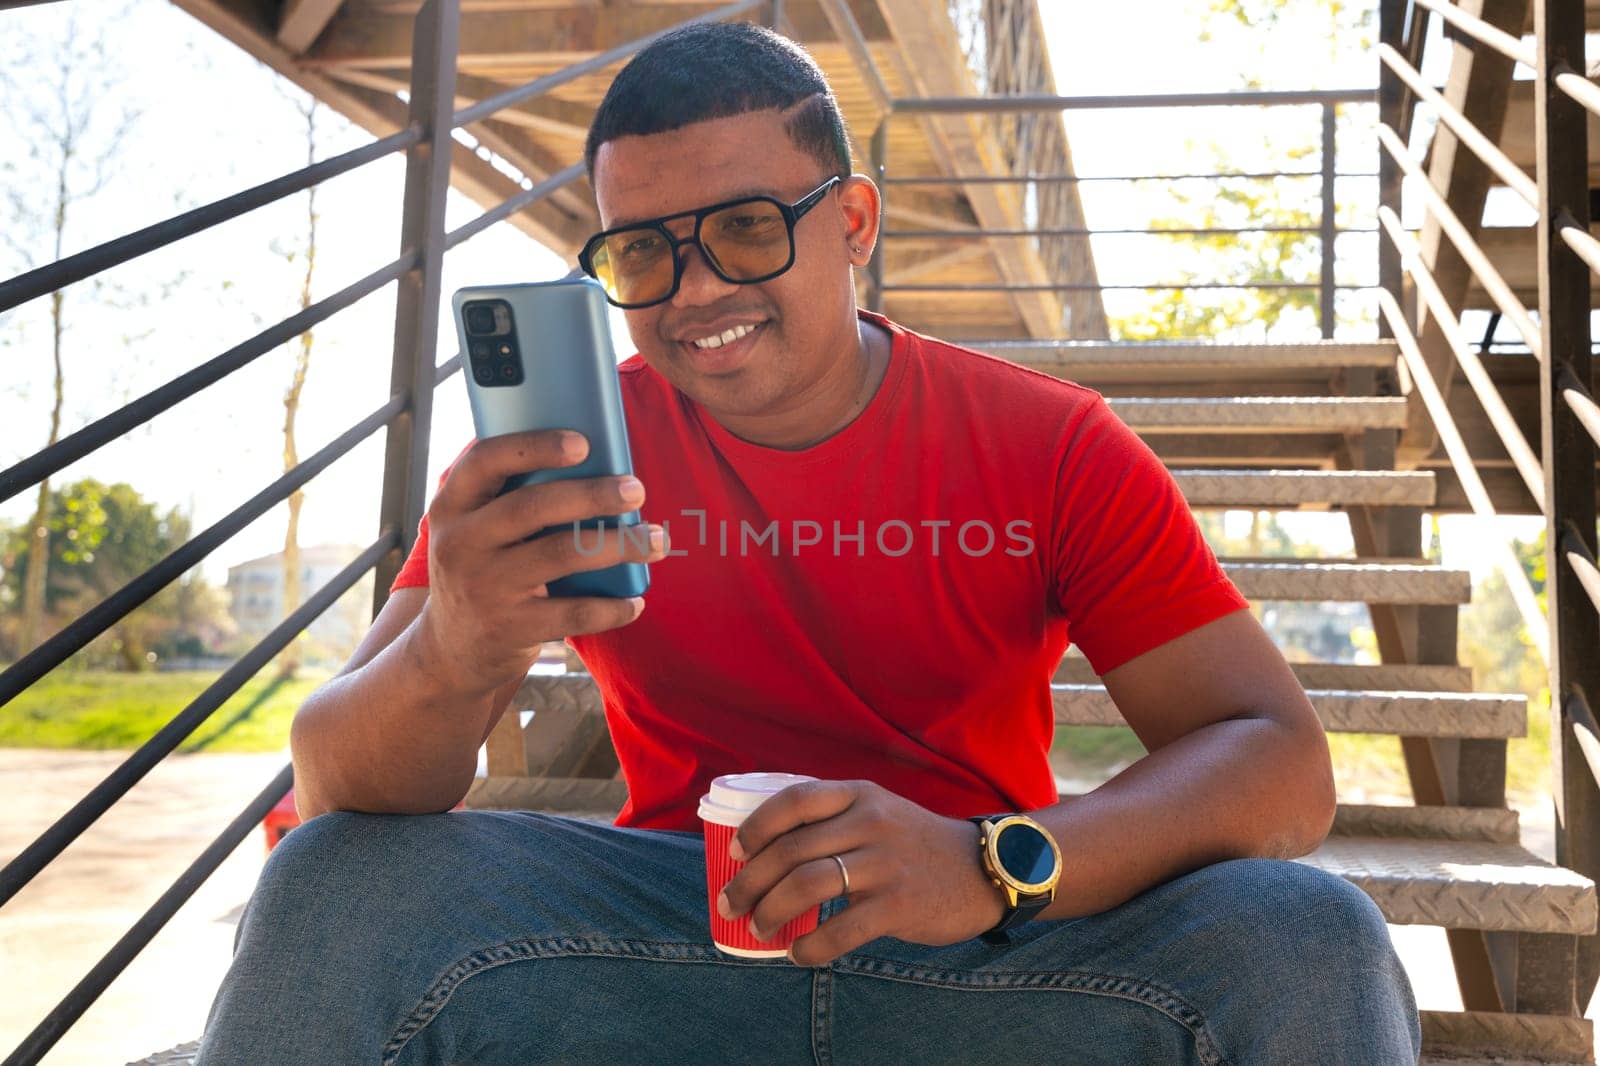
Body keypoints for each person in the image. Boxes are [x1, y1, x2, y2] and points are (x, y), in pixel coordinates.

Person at [197, 21, 1421, 1065]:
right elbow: (339, 781)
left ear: (853, 222)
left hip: (988, 948)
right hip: (665, 935)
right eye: (641, 251)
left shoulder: (1049, 444)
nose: (691, 292)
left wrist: (994, 862)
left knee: (1309, 932)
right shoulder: (572, 448)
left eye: (742, 229)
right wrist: (457, 646)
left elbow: (1276, 761)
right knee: (329, 883)